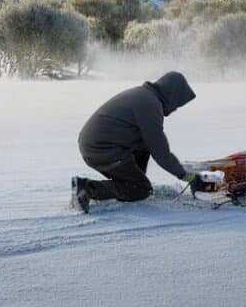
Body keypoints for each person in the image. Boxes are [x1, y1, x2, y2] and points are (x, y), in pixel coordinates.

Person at [71, 72, 207, 213]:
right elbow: (160, 152)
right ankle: (87, 188)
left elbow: (150, 145)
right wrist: (187, 176)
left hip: (96, 144)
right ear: (171, 95)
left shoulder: (145, 96)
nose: (175, 109)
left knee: (144, 146)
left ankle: (133, 181)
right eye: (177, 104)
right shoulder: (150, 105)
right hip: (101, 149)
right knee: (141, 190)